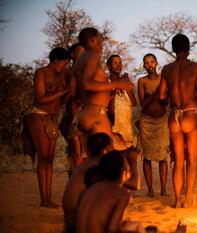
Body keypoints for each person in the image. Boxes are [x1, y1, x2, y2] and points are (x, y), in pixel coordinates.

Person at [159, 34, 197, 208]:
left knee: (178, 161)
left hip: (174, 116)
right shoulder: (195, 67)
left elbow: (162, 95)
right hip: (190, 113)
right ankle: (188, 198)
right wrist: (195, 99)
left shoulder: (166, 69)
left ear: (173, 49)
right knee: (192, 162)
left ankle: (177, 199)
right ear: (188, 49)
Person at [21, 47, 71, 208]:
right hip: (37, 115)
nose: (65, 67)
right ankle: (44, 199)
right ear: (56, 60)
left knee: (49, 160)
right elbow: (41, 98)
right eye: (64, 64)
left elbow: (60, 101)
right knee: (43, 159)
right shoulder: (41, 73)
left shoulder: (62, 76)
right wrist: (63, 91)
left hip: (52, 118)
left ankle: (47, 199)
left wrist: (68, 93)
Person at [73, 27, 134, 155]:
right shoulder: (92, 55)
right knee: (109, 159)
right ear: (92, 40)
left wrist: (109, 94)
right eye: (100, 40)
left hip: (84, 112)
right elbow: (85, 84)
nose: (102, 44)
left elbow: (75, 91)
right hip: (95, 114)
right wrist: (118, 84)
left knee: (94, 161)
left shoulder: (79, 61)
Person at [76, 150, 146, 233]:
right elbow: (112, 229)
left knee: (132, 225)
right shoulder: (122, 194)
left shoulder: (92, 188)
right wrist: (133, 162)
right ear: (123, 170)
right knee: (137, 226)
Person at [63, 133, 111, 233]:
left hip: (71, 220)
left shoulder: (85, 166)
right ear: (105, 149)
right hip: (78, 223)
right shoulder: (95, 169)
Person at [137, 53, 169, 197]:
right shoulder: (142, 81)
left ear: (157, 63)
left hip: (162, 120)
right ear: (144, 66)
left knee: (163, 155)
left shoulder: (164, 79)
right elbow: (143, 104)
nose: (149, 65)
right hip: (146, 120)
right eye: (146, 63)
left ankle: (163, 189)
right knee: (147, 156)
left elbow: (166, 101)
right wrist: (156, 95)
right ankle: (150, 189)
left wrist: (157, 96)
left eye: (152, 62)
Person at [106, 54, 140, 190]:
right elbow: (106, 102)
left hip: (125, 125)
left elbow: (133, 102)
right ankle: (113, 187)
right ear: (108, 66)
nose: (118, 65)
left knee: (126, 158)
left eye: (120, 62)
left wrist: (126, 85)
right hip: (112, 126)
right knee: (114, 158)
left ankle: (123, 188)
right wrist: (116, 86)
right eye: (114, 62)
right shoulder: (106, 82)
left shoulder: (126, 82)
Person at [60, 43, 86, 175]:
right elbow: (66, 97)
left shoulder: (89, 72)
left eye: (84, 51)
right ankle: (75, 185)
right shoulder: (67, 73)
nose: (82, 54)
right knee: (75, 153)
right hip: (72, 116)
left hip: (88, 116)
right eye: (78, 51)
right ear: (72, 54)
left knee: (88, 153)